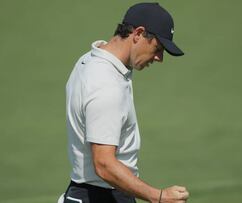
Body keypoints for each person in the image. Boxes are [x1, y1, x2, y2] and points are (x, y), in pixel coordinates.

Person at [59, 2, 189, 203]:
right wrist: (159, 196)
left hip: (83, 193)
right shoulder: (106, 84)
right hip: (103, 197)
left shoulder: (88, 60)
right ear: (138, 34)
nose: (159, 58)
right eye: (158, 47)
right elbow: (103, 163)